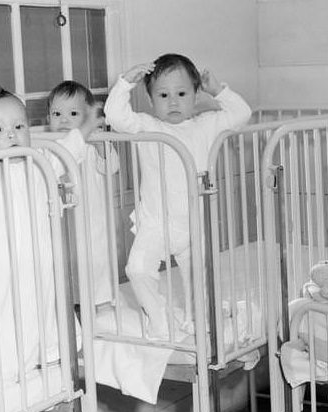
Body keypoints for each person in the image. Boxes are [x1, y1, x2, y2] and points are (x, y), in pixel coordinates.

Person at [0, 88, 97, 390]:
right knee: (2, 319)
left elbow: (70, 150)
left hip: (38, 267)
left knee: (45, 310)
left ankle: (47, 354)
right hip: (1, 272)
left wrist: (87, 125)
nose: (12, 135)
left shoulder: (39, 162)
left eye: (19, 126)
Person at [104, 53, 252, 337]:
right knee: (136, 269)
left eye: (182, 93)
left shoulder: (206, 125)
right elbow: (115, 116)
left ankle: (199, 316)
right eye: (163, 94)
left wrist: (219, 90)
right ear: (149, 99)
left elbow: (241, 113)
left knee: (199, 277)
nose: (173, 102)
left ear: (196, 95)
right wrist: (125, 83)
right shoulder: (146, 126)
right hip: (156, 222)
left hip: (194, 223)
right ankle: (159, 317)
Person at [48, 80, 120, 305]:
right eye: (56, 113)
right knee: (64, 262)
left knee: (94, 259)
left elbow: (111, 167)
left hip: (91, 217)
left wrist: (100, 144)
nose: (64, 119)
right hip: (62, 219)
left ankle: (99, 303)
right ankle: (71, 304)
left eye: (73, 113)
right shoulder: (49, 147)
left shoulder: (91, 144)